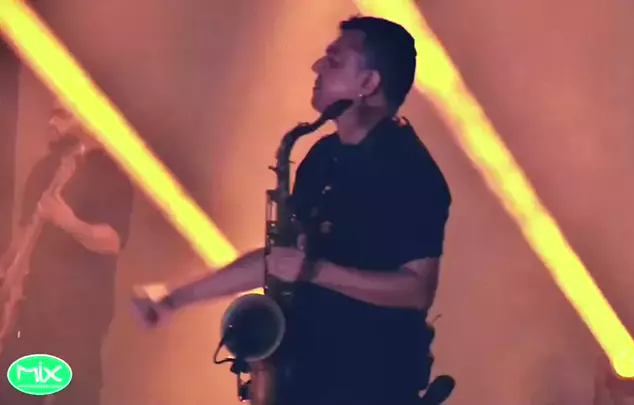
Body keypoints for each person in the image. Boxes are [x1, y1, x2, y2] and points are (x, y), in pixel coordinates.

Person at [133, 16, 452, 405]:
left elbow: (416, 290)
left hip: (368, 385)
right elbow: (280, 259)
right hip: (306, 378)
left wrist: (315, 271)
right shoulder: (321, 156)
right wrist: (174, 299)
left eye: (334, 61)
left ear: (369, 83)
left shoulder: (410, 171)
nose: (317, 67)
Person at [0, 101, 135, 405]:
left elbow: (112, 242)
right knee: (14, 394)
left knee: (74, 397)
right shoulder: (44, 169)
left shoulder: (111, 175)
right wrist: (8, 271)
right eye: (52, 113)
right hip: (32, 311)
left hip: (78, 318)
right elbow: (24, 234)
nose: (51, 122)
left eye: (62, 115)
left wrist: (68, 221)